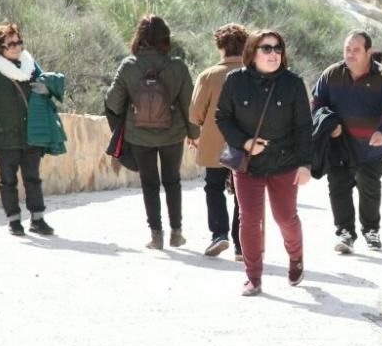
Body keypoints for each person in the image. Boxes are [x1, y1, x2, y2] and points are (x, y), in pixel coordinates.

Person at [216, 31, 312, 295]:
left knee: (285, 217)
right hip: (249, 165)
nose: (274, 54)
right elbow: (222, 117)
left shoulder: (293, 84)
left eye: (278, 48)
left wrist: (305, 164)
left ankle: (296, 257)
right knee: (249, 220)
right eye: (266, 48)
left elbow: (304, 127)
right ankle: (253, 277)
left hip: (285, 162)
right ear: (252, 52)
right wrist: (245, 143)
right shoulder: (235, 81)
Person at [105, 15, 200, 250]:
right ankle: (176, 233)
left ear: (139, 37)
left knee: (149, 183)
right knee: (172, 180)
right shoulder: (177, 66)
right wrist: (194, 133)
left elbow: (113, 103)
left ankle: (156, 235)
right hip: (172, 134)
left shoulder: (129, 66)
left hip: (139, 136)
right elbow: (189, 104)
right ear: (165, 38)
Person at [312, 31, 382, 253]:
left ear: (368, 52)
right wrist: (329, 125)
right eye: (347, 49)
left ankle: (371, 230)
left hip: (371, 147)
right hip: (339, 144)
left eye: (356, 50)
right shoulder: (331, 74)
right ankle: (345, 232)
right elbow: (316, 104)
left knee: (369, 187)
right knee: (338, 187)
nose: (350, 54)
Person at [0, 22, 54, 236]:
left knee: (33, 178)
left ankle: (37, 219)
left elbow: (48, 83)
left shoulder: (30, 66)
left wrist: (47, 89)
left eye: (19, 42)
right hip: (4, 137)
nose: (17, 47)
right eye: (11, 44)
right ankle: (14, 220)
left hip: (31, 135)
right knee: (8, 180)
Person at [189, 23, 248, 260]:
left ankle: (219, 234)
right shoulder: (254, 75)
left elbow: (195, 115)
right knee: (244, 193)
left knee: (213, 187)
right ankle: (241, 246)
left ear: (220, 46)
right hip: (245, 146)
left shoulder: (209, 75)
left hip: (214, 143)